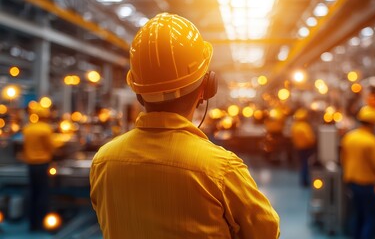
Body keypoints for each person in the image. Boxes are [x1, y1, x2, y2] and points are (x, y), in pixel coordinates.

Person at [90, 13, 280, 239]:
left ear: (139, 93)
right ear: (206, 88)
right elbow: (268, 232)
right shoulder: (220, 170)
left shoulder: (104, 161)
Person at [341, 105, 375, 239]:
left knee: (358, 214)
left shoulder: (349, 137)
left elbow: (343, 158)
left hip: (351, 181)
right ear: (373, 123)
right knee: (370, 217)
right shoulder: (371, 141)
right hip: (366, 184)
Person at [22, 102, 55, 231]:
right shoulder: (46, 129)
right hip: (42, 164)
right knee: (43, 193)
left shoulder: (28, 129)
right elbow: (51, 147)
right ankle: (42, 222)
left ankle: (32, 223)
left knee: (33, 192)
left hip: (30, 165)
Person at [290, 108, 315, 187]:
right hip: (306, 148)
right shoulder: (305, 126)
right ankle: (305, 181)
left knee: (302, 164)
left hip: (298, 148)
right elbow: (310, 138)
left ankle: (303, 180)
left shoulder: (294, 126)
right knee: (305, 164)